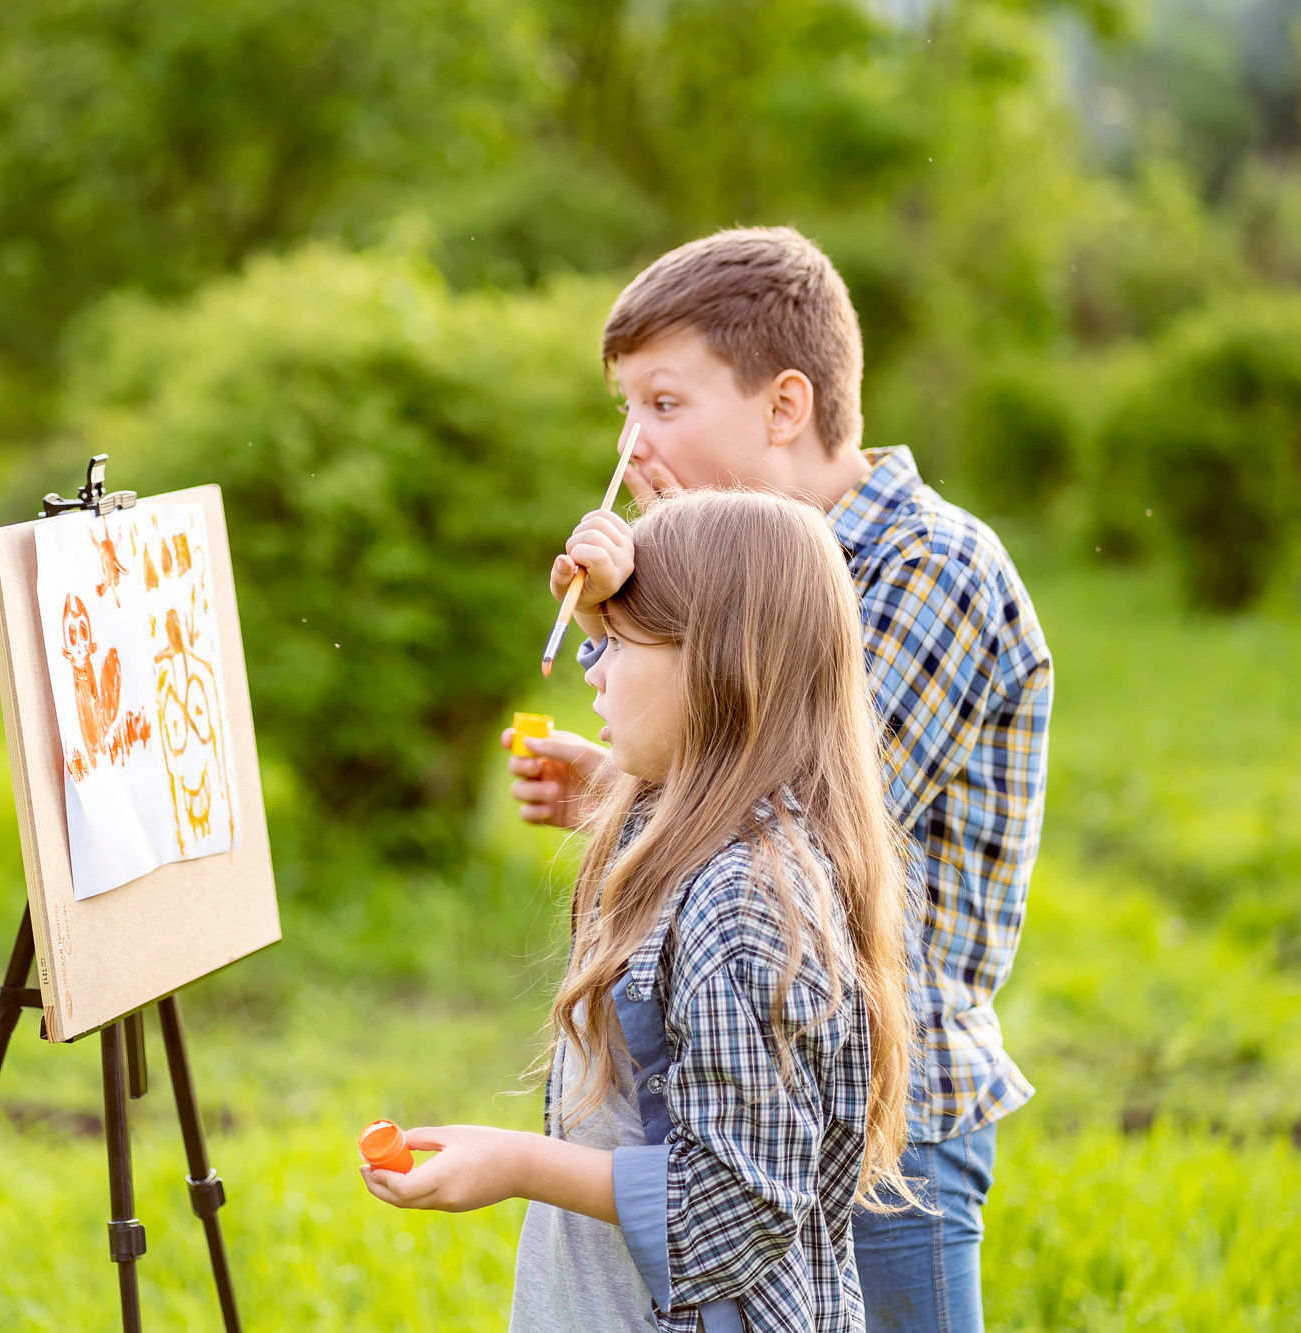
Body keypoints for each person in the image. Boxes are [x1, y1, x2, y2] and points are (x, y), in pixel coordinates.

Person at [506, 227, 1054, 1333]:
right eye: (624, 411)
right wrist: (617, 784)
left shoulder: (923, 568)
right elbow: (723, 784)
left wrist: (639, 778)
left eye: (663, 405)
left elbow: (794, 816)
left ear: (783, 406)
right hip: (748, 1088)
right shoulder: (743, 571)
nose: (632, 444)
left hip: (889, 1135)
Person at [362, 490, 920, 1333]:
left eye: (615, 644)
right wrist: (606, 609)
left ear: (716, 667)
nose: (592, 668)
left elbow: (736, 1206)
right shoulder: (699, 826)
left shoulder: (744, 901)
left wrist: (518, 1162)